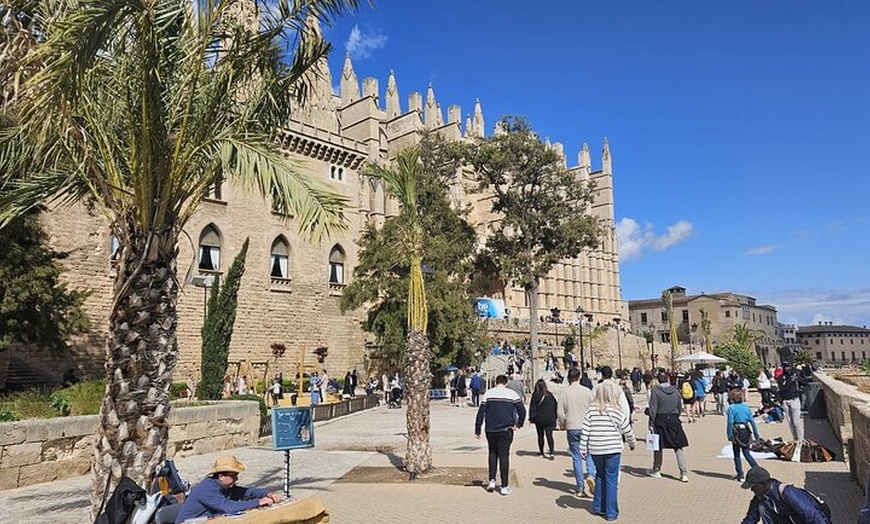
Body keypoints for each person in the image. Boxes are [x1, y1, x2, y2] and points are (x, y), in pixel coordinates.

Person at [579, 380, 636, 521]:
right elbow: (626, 428)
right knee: (611, 479)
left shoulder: (591, 411)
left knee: (600, 475)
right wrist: (632, 442)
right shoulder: (616, 410)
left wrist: (583, 448)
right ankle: (611, 512)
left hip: (596, 448)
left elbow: (585, 430)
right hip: (612, 449)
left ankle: (598, 506)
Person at [175, 455, 283, 523]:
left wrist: (268, 494)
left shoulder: (225, 486)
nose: (236, 478)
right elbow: (228, 506)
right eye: (233, 475)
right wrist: (258, 502)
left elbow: (246, 492)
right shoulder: (207, 489)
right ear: (221, 476)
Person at [474, 374, 526, 496]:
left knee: (492, 453)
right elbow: (522, 411)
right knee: (504, 456)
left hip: (490, 429)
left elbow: (481, 412)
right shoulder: (512, 394)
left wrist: (477, 429)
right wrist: (519, 424)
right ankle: (504, 485)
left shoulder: (488, 394)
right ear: (506, 383)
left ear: (495, 382)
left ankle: (491, 480)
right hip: (506, 429)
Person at [739, 466, 832, 524]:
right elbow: (751, 519)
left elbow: (812, 515)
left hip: (811, 520)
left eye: (753, 486)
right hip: (790, 520)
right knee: (762, 507)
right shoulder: (760, 497)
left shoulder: (787, 493)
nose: (751, 489)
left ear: (763, 484)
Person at [558, 367, 597, 497]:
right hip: (587, 426)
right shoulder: (587, 392)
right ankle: (591, 475)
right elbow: (594, 409)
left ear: (568, 378)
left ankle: (580, 487)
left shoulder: (565, 392)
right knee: (590, 453)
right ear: (579, 377)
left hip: (572, 426)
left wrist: (563, 423)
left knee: (576, 457)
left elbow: (560, 412)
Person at [648, 372, 690, 482]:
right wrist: (676, 415)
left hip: (660, 419)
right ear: (667, 379)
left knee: (658, 446)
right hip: (674, 418)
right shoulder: (675, 391)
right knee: (678, 446)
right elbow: (679, 405)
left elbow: (653, 408)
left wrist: (651, 423)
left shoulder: (655, 391)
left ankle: (656, 469)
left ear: (658, 380)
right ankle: (683, 472)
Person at [726, 389, 761, 482]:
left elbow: (730, 422)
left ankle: (740, 474)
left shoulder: (731, 408)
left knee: (736, 453)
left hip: (736, 429)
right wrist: (757, 435)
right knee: (746, 453)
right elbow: (752, 421)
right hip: (746, 429)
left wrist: (729, 434)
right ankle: (757, 470)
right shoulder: (746, 407)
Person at [529, 379, 558, 459]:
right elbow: (555, 406)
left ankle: (541, 452)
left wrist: (531, 418)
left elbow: (533, 407)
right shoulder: (550, 395)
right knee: (550, 436)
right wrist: (555, 417)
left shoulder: (536, 395)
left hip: (539, 419)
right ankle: (551, 452)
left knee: (540, 436)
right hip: (549, 419)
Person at [777, 362, 806, 441]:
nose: (787, 368)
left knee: (796, 422)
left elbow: (804, 382)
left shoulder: (794, 375)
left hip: (794, 400)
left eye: (788, 366)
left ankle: (800, 439)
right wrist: (790, 381)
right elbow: (783, 388)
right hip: (785, 401)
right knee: (790, 423)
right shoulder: (781, 377)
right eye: (785, 367)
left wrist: (797, 378)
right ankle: (795, 439)